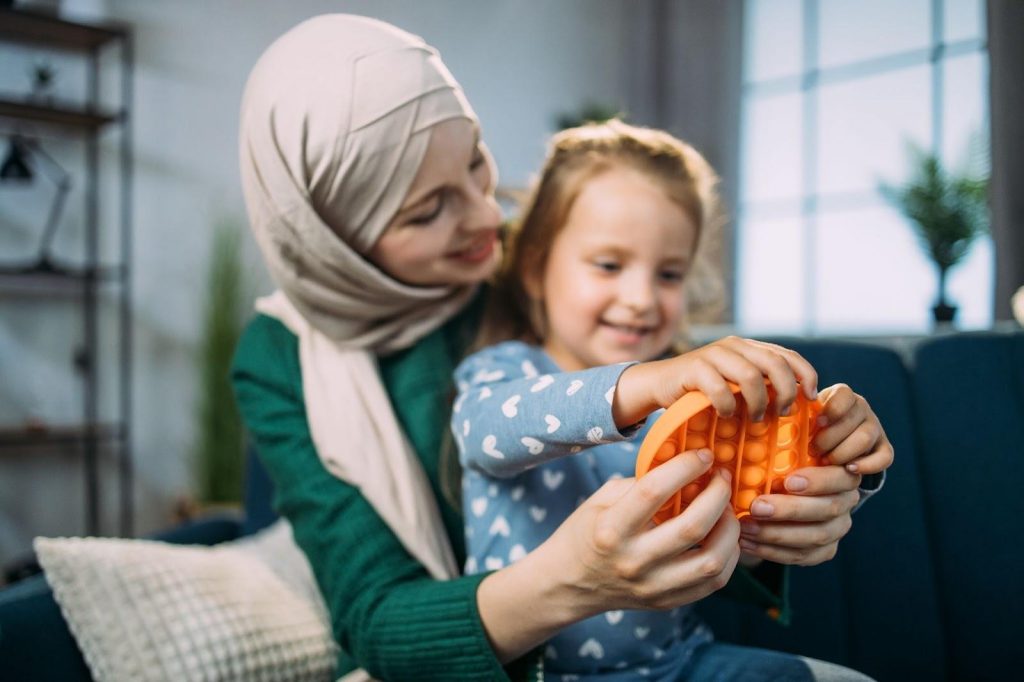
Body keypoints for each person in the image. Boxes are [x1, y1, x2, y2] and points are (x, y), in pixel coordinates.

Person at [230, 14, 893, 682]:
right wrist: (574, 579)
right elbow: (380, 610)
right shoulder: (288, 362)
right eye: (427, 210)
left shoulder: (566, 269)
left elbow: (694, 431)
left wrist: (805, 495)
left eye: (475, 159)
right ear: (333, 241)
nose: (491, 219)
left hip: (674, 653)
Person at [454, 120, 886, 680]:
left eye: (669, 273)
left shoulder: (693, 404)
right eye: (608, 265)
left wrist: (840, 459)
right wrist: (644, 382)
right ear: (536, 268)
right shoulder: (505, 369)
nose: (639, 299)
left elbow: (749, 516)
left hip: (679, 662)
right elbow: (484, 433)